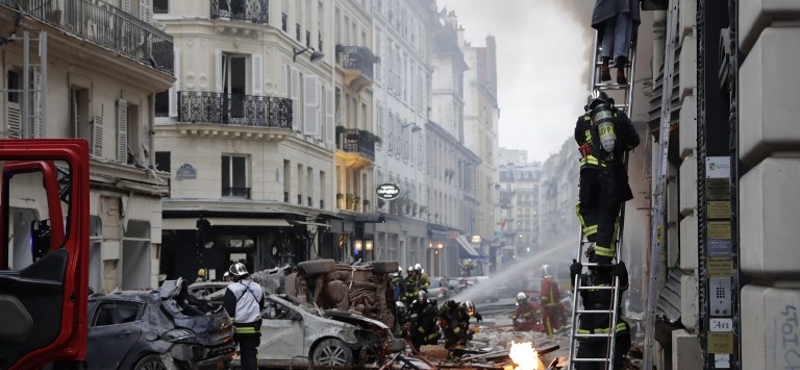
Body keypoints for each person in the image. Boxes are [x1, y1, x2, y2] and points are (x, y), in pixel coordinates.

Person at [575, 91, 640, 265]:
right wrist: (620, 146)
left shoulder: (582, 121)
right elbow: (635, 141)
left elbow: (580, 140)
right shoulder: (619, 117)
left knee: (586, 207)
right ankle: (603, 260)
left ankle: (594, 236)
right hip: (611, 175)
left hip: (588, 172)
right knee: (608, 215)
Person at [570, 259, 631, 370]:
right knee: (584, 365)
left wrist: (623, 274)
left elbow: (623, 286)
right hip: (589, 332)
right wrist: (574, 275)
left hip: (610, 330)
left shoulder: (614, 277)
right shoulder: (585, 278)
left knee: (610, 365)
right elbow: (576, 289)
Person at [223, 262, 265, 370]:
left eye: (232, 276)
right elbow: (261, 306)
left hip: (236, 330)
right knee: (250, 357)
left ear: (235, 276)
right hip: (253, 330)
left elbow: (228, 311)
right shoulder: (258, 288)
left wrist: (228, 328)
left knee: (226, 356)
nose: (231, 278)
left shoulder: (232, 288)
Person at [592, 0, 641, 84]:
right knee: (622, 32)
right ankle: (620, 72)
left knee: (607, 31)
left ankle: (605, 67)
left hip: (606, 4)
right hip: (625, 4)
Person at [539, 265, 563, 337]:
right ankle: (560, 328)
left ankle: (550, 336)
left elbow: (545, 293)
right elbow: (558, 294)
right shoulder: (553, 281)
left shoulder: (545, 281)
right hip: (554, 304)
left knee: (546, 320)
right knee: (552, 319)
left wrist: (543, 303)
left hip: (548, 305)